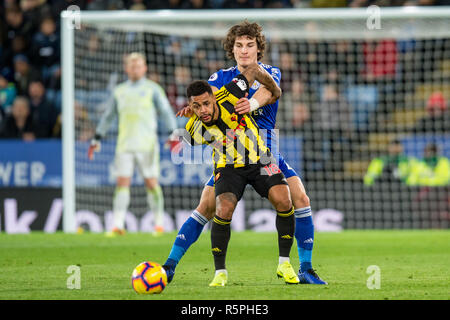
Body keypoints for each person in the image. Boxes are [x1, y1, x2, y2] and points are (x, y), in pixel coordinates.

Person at [163, 20, 326, 285]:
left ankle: (305, 268)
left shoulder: (270, 71)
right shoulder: (220, 78)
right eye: (239, 45)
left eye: (250, 45)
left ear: (258, 48)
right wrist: (196, 112)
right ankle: (169, 265)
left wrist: (250, 104)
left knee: (301, 199)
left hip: (264, 149)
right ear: (232, 49)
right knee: (206, 207)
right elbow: (207, 105)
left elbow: (269, 93)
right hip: (231, 154)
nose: (244, 50)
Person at [183, 63, 298, 286]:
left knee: (284, 199)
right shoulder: (192, 129)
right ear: (191, 107)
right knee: (223, 208)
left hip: (260, 159)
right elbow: (197, 141)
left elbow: (253, 69)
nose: (204, 110)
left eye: (207, 104)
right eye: (197, 107)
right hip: (229, 166)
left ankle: (284, 263)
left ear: (214, 98)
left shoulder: (231, 92)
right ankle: (220, 273)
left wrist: (274, 90)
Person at [88, 52, 178, 236]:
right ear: (126, 68)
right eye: (131, 66)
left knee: (151, 183)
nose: (135, 69)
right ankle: (117, 225)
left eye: (138, 66)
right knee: (122, 183)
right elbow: (108, 116)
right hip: (125, 146)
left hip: (147, 145)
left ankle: (159, 224)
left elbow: (166, 112)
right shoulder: (119, 91)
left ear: (144, 68)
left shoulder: (153, 89)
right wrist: (97, 136)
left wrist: (173, 133)